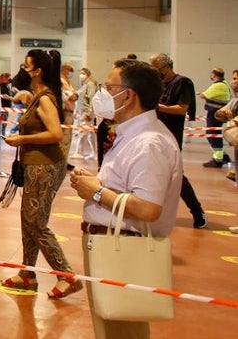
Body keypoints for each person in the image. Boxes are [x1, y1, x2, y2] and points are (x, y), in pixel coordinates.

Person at [69, 58, 182, 339]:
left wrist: (95, 191)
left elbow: (147, 208)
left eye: (109, 87)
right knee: (113, 325)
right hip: (108, 241)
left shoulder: (148, 143)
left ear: (129, 95)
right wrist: (99, 183)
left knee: (121, 329)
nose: (102, 94)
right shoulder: (133, 135)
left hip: (121, 246)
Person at [0, 49, 81, 299]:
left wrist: (22, 138)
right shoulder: (38, 95)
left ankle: (66, 275)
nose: (22, 71)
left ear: (38, 71)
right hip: (34, 165)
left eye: (26, 66)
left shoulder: (45, 98)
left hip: (44, 166)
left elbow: (55, 134)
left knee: (36, 223)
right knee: (28, 219)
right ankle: (27, 273)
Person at [148, 53, 208, 228]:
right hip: (152, 135)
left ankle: (197, 211)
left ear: (166, 68)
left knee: (176, 176)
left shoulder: (182, 83)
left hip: (171, 137)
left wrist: (159, 107)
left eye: (157, 69)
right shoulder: (156, 85)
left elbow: (182, 109)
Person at [199, 65, 231, 167]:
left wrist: (201, 94)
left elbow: (204, 95)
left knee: (212, 134)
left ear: (214, 74)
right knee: (214, 134)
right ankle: (223, 156)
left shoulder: (218, 85)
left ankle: (218, 160)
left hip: (215, 114)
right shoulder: (223, 84)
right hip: (218, 113)